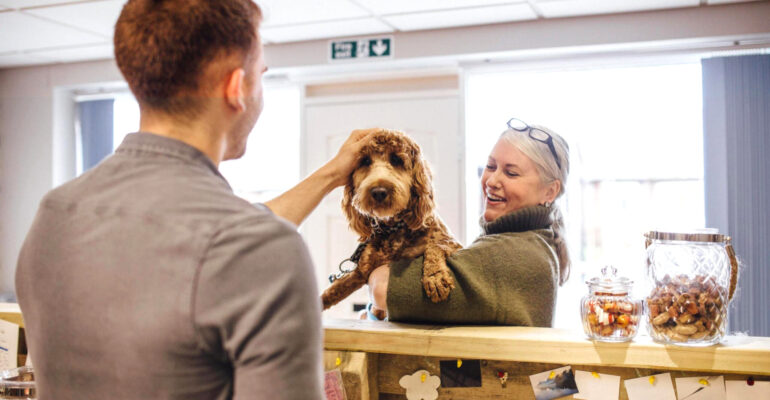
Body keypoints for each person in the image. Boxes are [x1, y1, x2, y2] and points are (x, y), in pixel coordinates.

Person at [14, 1, 373, 399]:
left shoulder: (55, 214)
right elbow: (236, 247)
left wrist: (330, 174)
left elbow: (216, 244)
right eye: (261, 75)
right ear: (236, 88)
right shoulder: (258, 249)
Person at [366, 117, 570, 326]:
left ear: (550, 191)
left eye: (511, 173)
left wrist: (375, 272)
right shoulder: (533, 242)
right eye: (491, 166)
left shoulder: (514, 254)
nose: (491, 181)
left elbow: (383, 290)